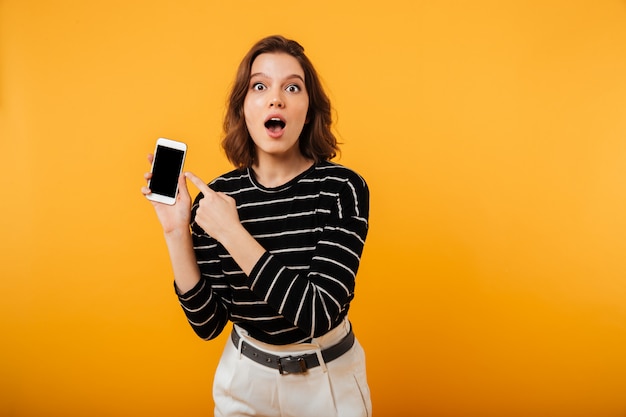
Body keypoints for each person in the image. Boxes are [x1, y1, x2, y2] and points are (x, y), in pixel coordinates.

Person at [142, 35, 371, 417]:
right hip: (244, 382)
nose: (275, 98)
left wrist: (232, 232)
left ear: (309, 110)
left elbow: (317, 313)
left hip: (328, 383)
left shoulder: (342, 189)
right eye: (259, 86)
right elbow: (208, 323)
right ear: (244, 108)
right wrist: (176, 232)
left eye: (292, 87)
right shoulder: (216, 198)